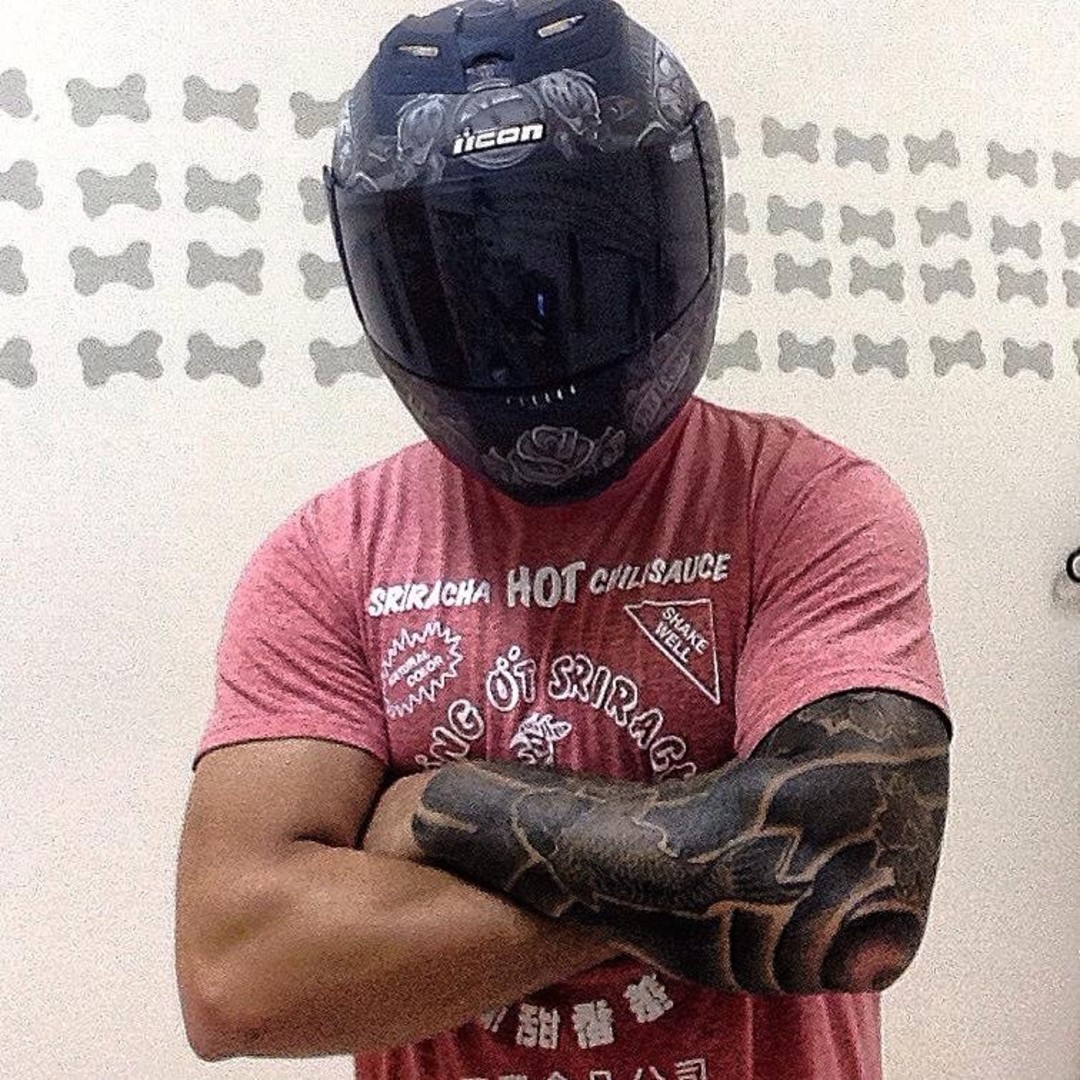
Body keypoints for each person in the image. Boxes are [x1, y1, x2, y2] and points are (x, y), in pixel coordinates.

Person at [175, 1, 953, 1078]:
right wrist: (706, 859)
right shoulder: (328, 557)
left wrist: (436, 810)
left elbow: (851, 886)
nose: (527, 326)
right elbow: (240, 980)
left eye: (572, 257)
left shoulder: (805, 502)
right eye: (470, 277)